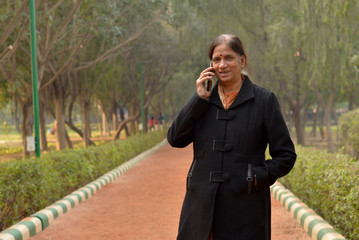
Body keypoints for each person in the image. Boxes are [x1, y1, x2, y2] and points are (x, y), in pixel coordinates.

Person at [167, 34, 296, 240]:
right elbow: (175, 138)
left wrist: (255, 178)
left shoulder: (264, 100)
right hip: (201, 205)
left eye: (228, 58)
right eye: (216, 59)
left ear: (242, 61)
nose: (222, 65)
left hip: (245, 206)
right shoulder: (204, 101)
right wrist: (198, 98)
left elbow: (286, 155)